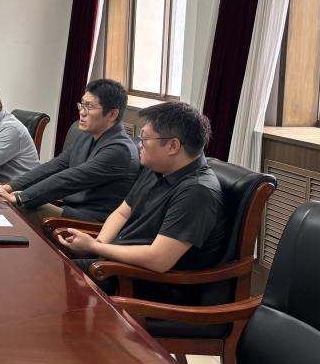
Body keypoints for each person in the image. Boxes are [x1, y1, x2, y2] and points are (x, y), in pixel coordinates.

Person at [57, 101, 227, 295]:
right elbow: (122, 213)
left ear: (173, 146)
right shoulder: (157, 167)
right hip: (115, 263)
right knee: (47, 260)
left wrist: (95, 247)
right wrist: (98, 245)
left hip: (143, 282)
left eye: (145, 138)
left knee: (52, 275)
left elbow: (158, 259)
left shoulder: (197, 192)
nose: (139, 144)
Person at [0, 79, 139, 223]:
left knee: (10, 209)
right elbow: (54, 166)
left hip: (89, 221)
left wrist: (19, 198)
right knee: (2, 201)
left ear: (112, 114)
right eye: (82, 104)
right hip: (70, 208)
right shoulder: (88, 135)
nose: (82, 112)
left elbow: (70, 179)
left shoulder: (119, 150)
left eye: (89, 106)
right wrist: (9, 187)